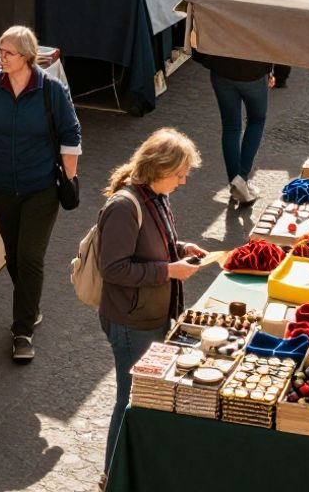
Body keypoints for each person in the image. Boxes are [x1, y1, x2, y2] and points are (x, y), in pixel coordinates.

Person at [97, 128, 207, 476]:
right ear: (159, 169)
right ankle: (113, 475)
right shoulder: (124, 207)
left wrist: (181, 249)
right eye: (180, 174)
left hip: (151, 312)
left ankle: (134, 469)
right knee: (130, 400)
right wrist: (167, 271)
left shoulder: (156, 196)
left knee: (143, 396)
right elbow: (114, 268)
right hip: (132, 320)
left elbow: (152, 245)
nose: (184, 180)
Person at [0, 25, 82, 363]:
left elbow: (71, 132)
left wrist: (68, 174)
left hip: (41, 187)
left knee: (30, 256)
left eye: (8, 53)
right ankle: (30, 306)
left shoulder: (51, 90)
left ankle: (22, 331)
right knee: (14, 256)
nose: (1, 58)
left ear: (28, 57)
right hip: (1, 184)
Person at [192, 0, 273, 205]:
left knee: (230, 126)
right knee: (257, 120)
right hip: (252, 71)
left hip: (221, 72)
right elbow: (274, 37)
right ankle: (241, 178)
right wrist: (272, 69)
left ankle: (235, 183)